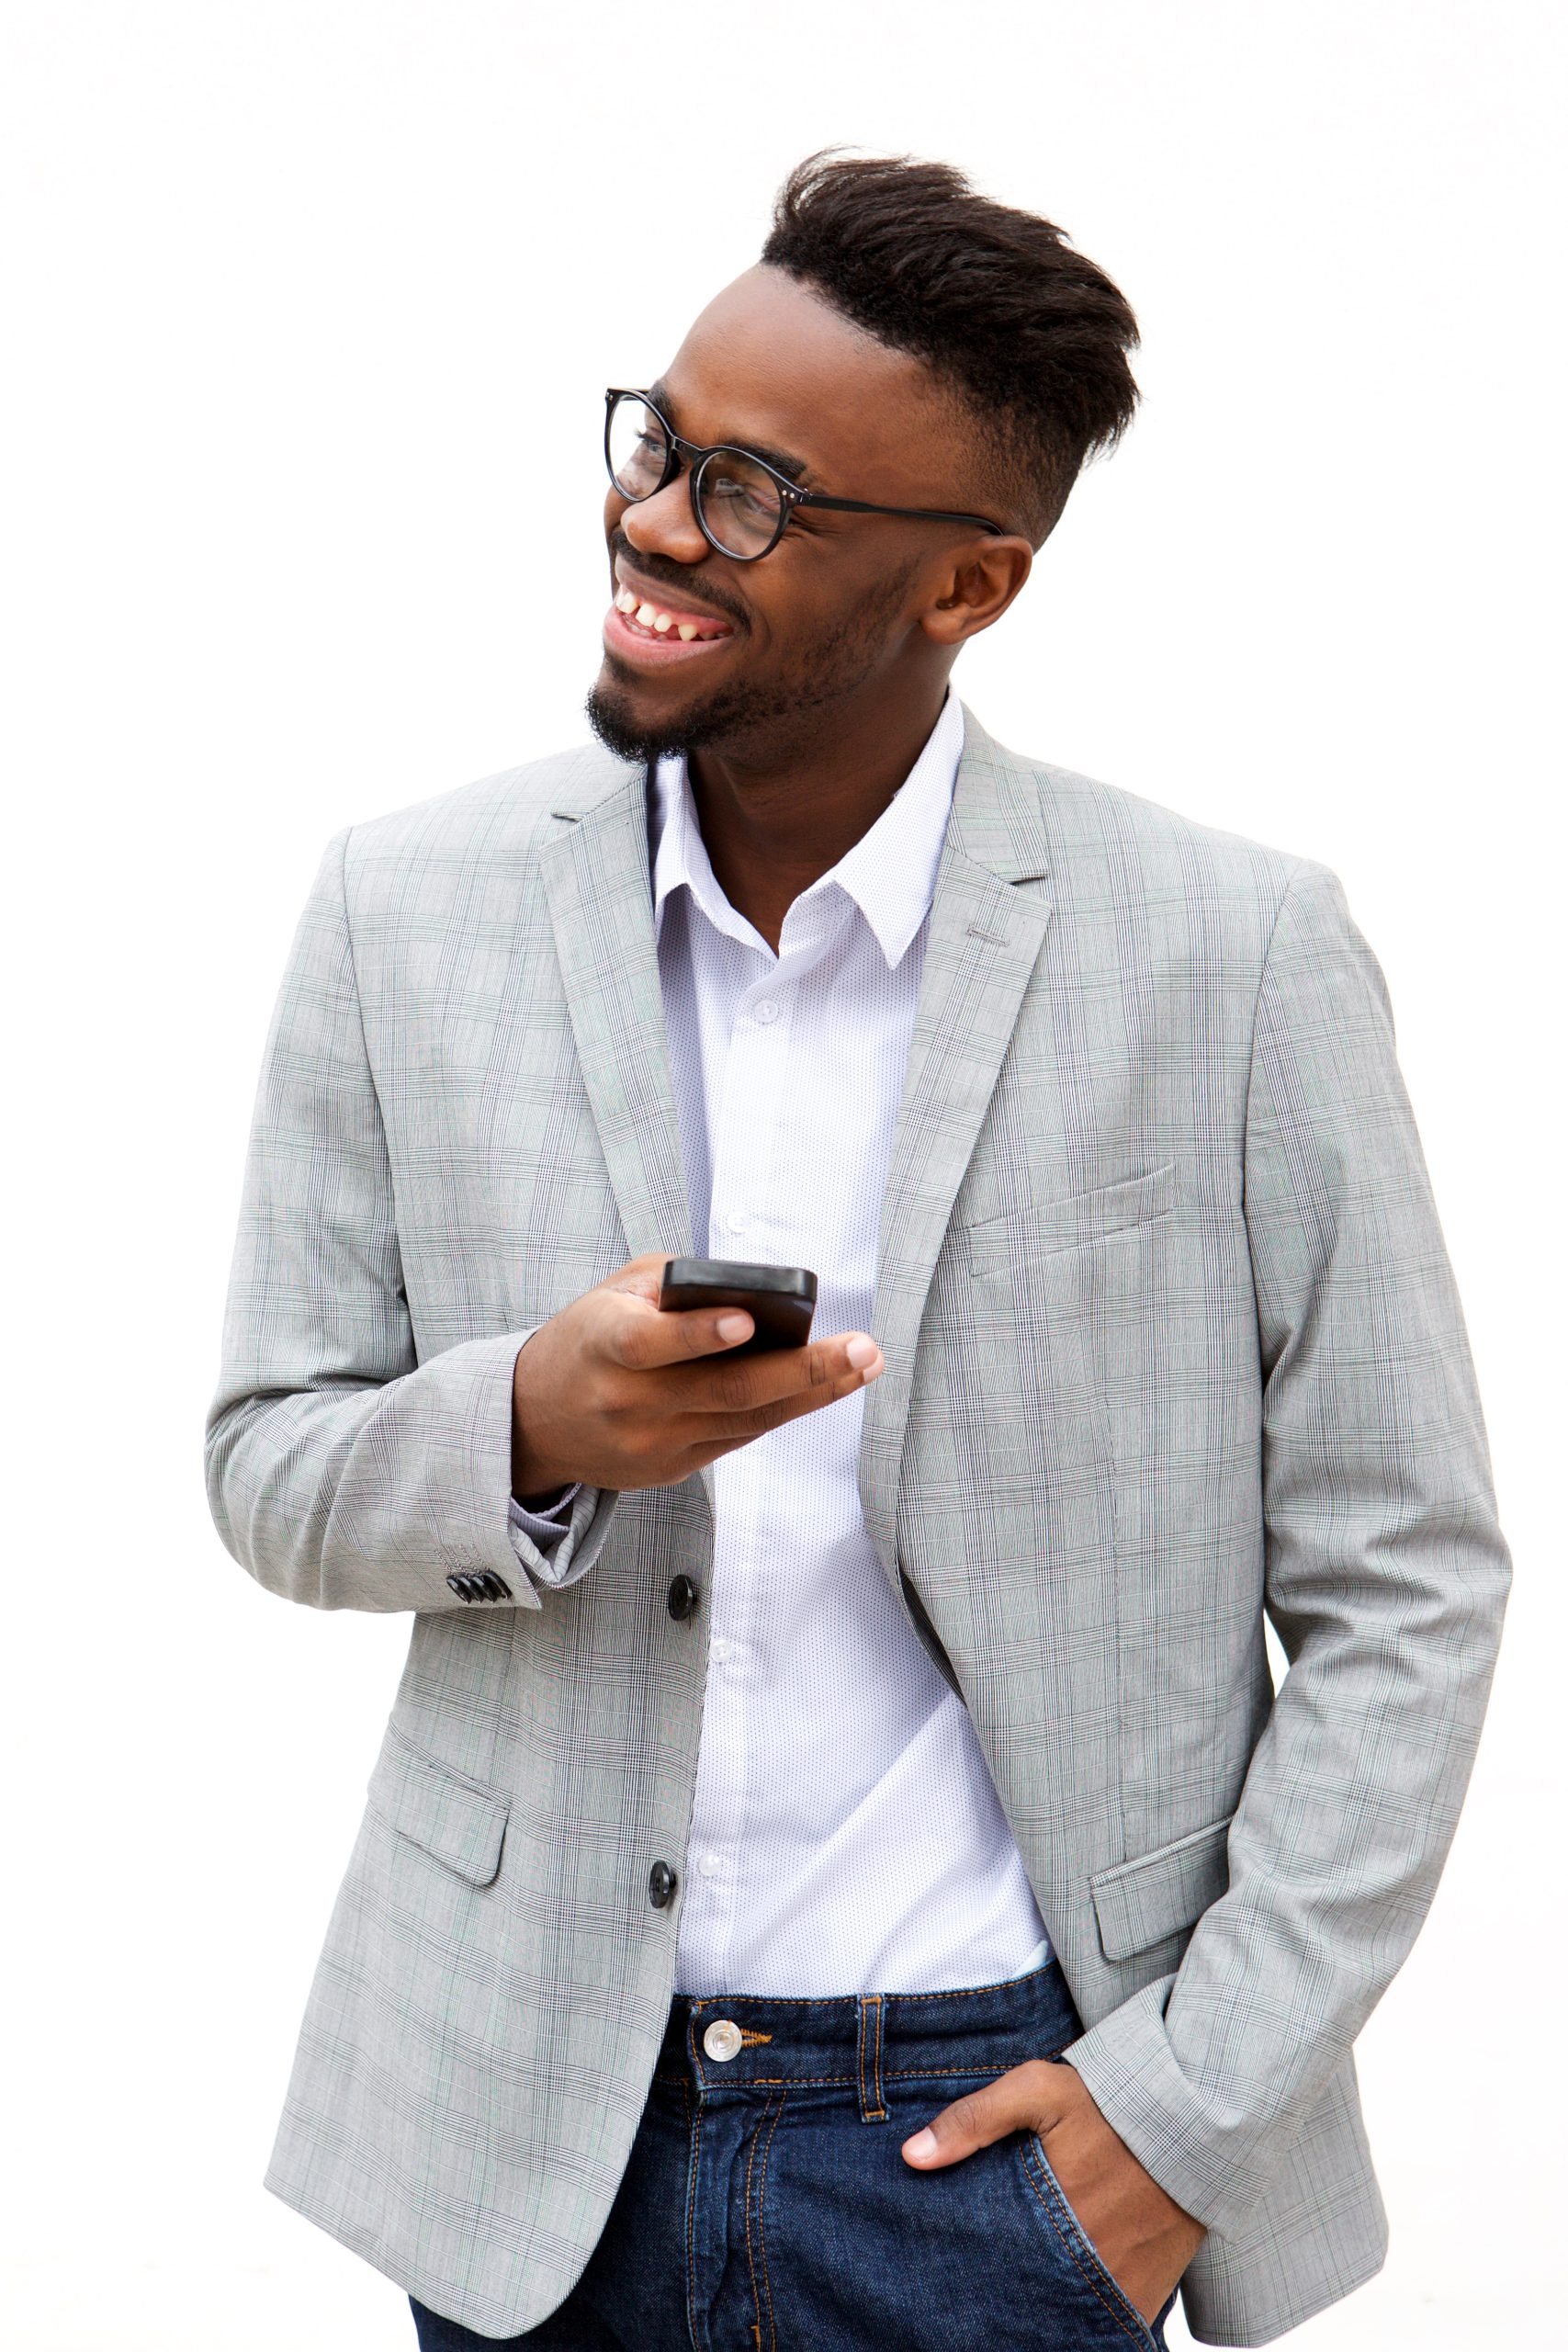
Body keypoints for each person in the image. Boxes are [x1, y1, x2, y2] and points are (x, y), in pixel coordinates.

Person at [206, 153, 1509, 2349]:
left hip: (991, 2140)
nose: (649, 523)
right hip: (537, 2147)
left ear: (966, 585)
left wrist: (1173, 2115)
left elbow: (1407, 1583)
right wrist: (528, 1418)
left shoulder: (1232, 954)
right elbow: (267, 1460)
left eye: (747, 495)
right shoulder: (399, 907)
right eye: (656, 445)